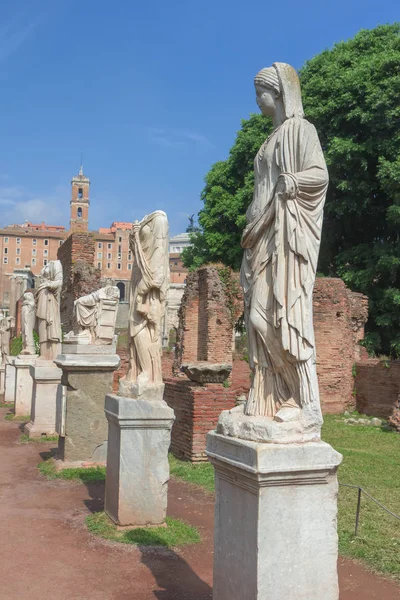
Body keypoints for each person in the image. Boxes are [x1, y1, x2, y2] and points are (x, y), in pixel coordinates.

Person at [240, 63, 328, 422]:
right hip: (259, 237)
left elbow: (319, 174)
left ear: (276, 94)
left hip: (284, 235)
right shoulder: (267, 141)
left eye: (259, 92)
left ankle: (303, 400)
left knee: (276, 317)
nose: (257, 100)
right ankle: (269, 396)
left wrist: (291, 183)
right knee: (258, 321)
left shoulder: (300, 131)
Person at [35, 260, 63, 360]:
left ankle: (51, 354)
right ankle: (44, 353)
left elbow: (60, 282)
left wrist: (49, 284)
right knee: (42, 324)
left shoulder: (56, 264)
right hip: (42, 295)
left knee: (49, 324)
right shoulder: (47, 265)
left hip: (50, 298)